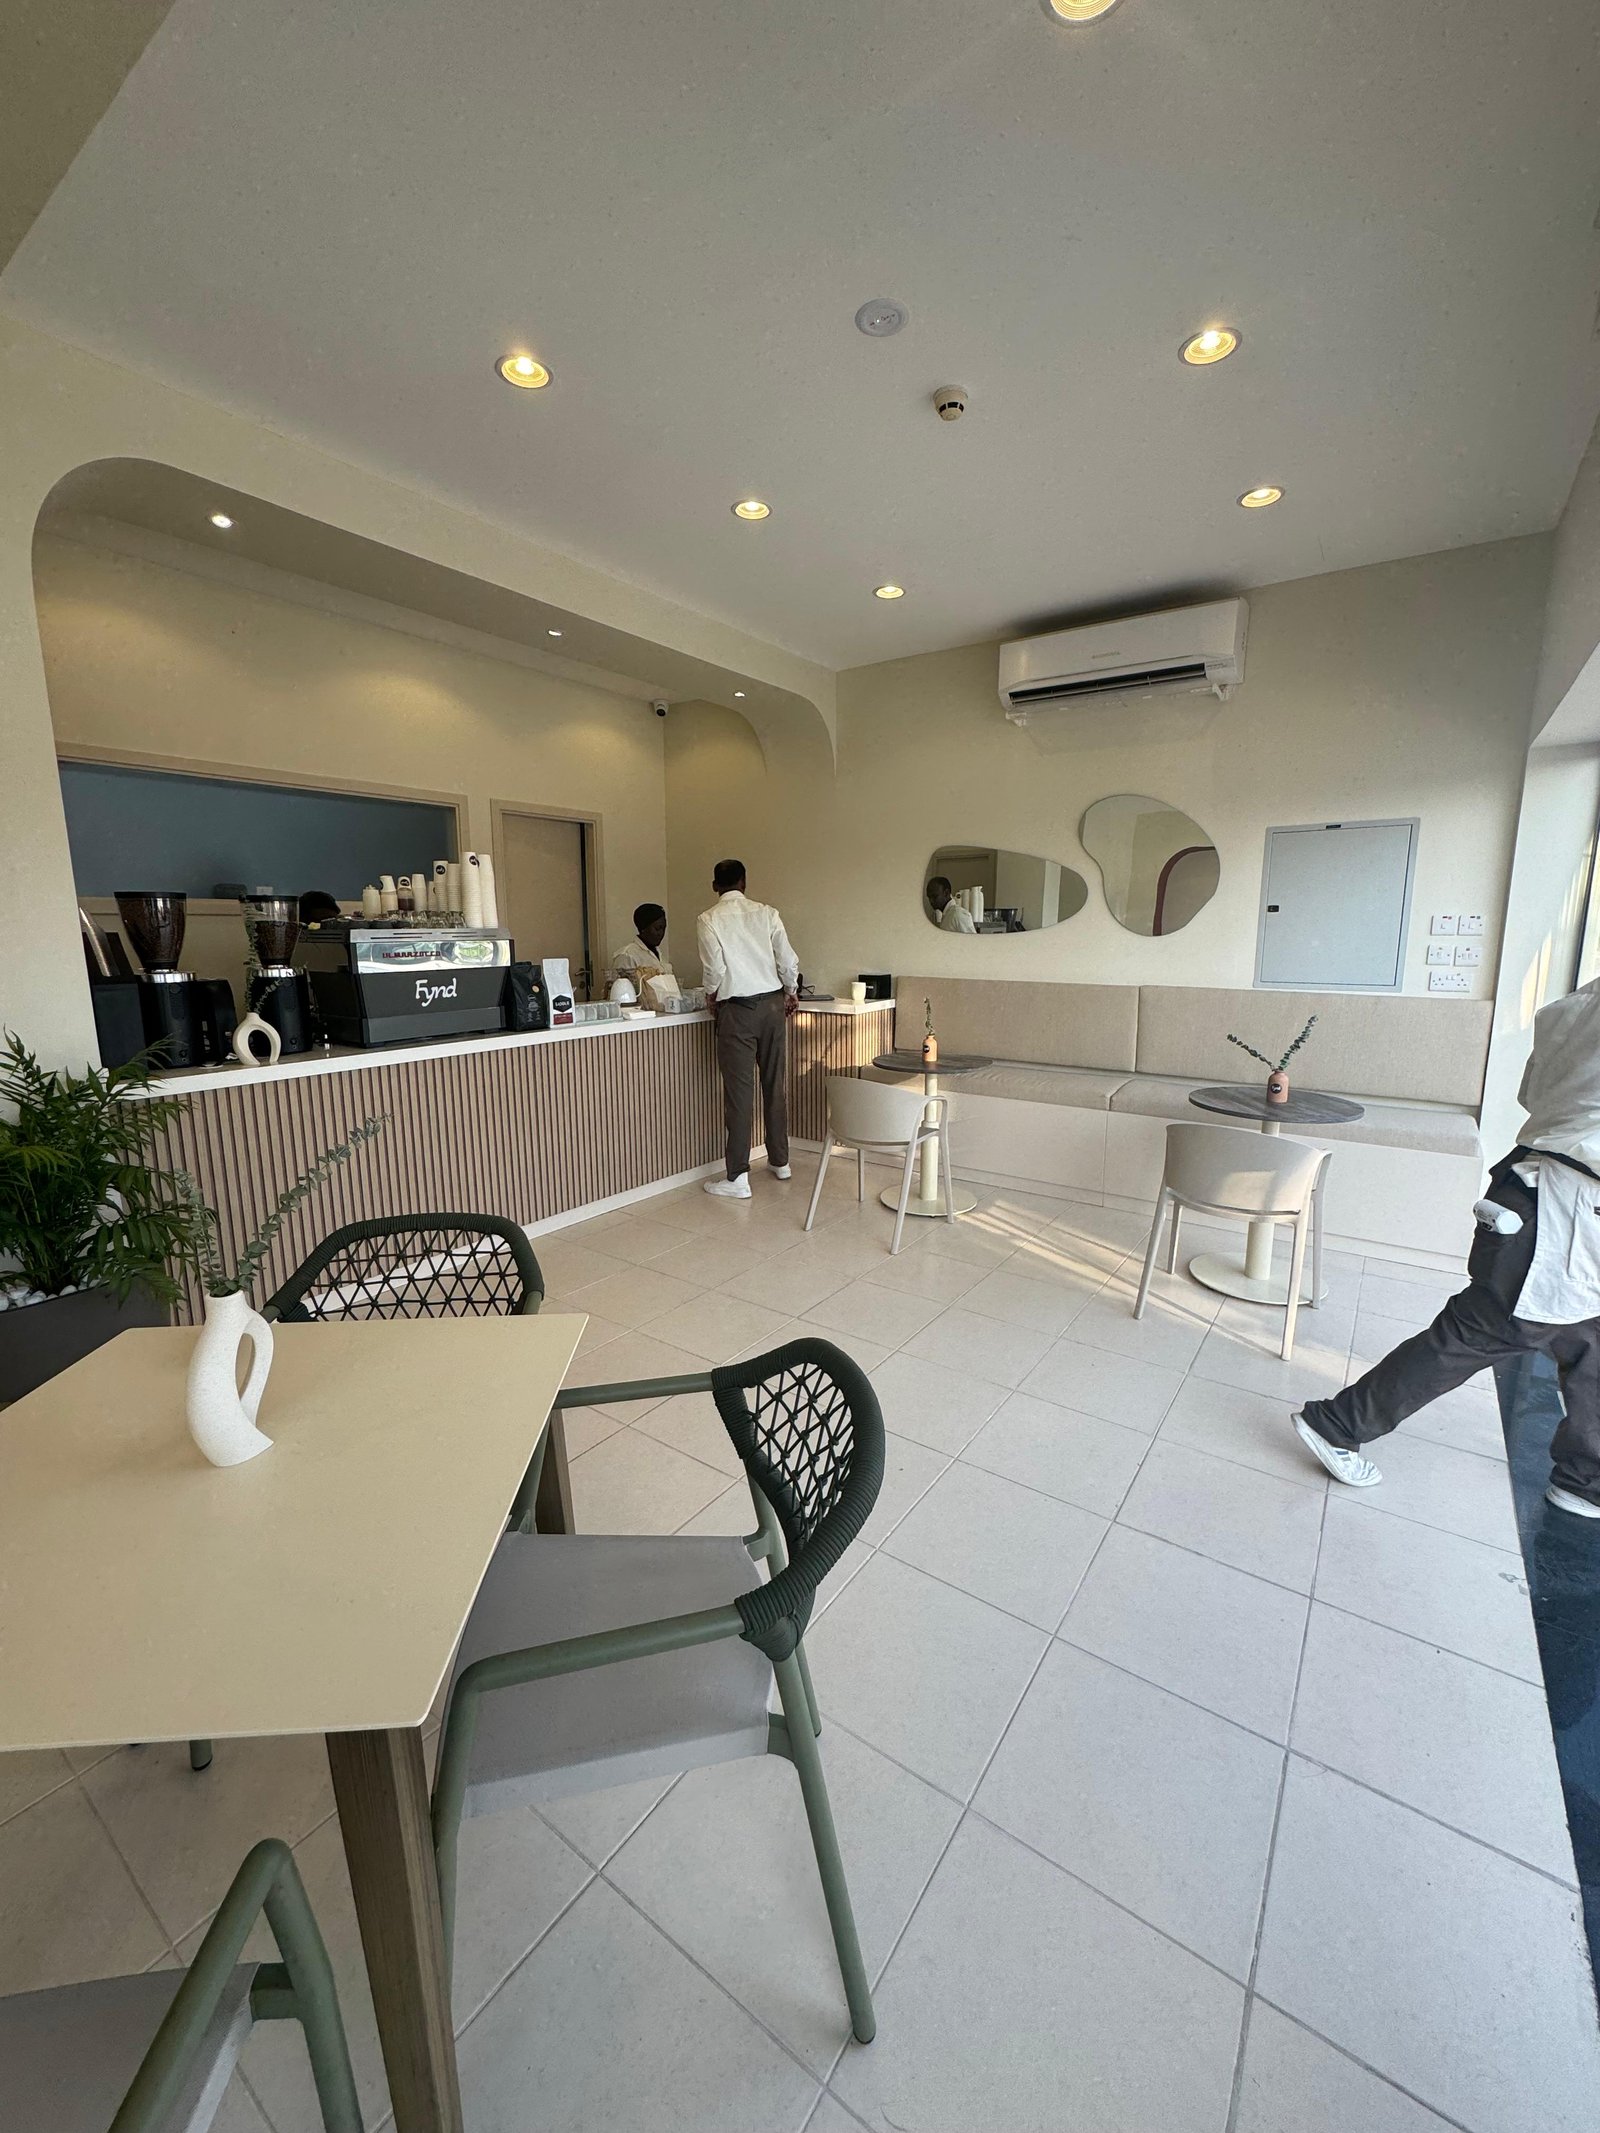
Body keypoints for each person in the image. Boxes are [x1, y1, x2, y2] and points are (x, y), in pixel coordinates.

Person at [1292, 975, 1600, 1516]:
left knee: (1589, 1341)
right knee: (1483, 1331)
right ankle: (1338, 1423)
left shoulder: (1574, 1005)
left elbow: (1531, 1094)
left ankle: (1584, 1478)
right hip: (1563, 1209)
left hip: (1541, 1187)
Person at [696, 859, 799, 1200]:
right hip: (772, 1007)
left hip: (737, 1011)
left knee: (739, 1095)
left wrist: (711, 995)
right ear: (744, 882)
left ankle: (738, 1177)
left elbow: (714, 969)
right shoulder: (767, 913)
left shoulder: (708, 919)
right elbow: (787, 960)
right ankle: (780, 1161)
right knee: (775, 1084)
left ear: (715, 885)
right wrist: (790, 991)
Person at [611, 903, 674, 991]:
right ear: (643, 928)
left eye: (663, 928)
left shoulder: (659, 954)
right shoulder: (627, 956)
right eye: (657, 928)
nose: (661, 933)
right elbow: (621, 991)